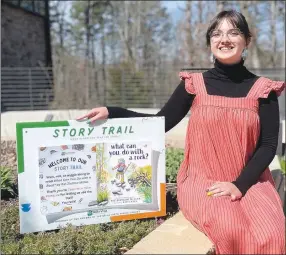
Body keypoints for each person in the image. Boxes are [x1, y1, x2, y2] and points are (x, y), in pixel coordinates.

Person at [77, 10, 285, 254]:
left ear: (247, 40)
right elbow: (159, 123)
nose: (224, 39)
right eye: (216, 33)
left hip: (249, 180)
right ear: (210, 42)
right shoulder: (194, 85)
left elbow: (269, 146)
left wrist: (239, 185)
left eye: (233, 32)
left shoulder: (264, 90)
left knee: (273, 232)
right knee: (231, 228)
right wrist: (112, 111)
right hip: (202, 181)